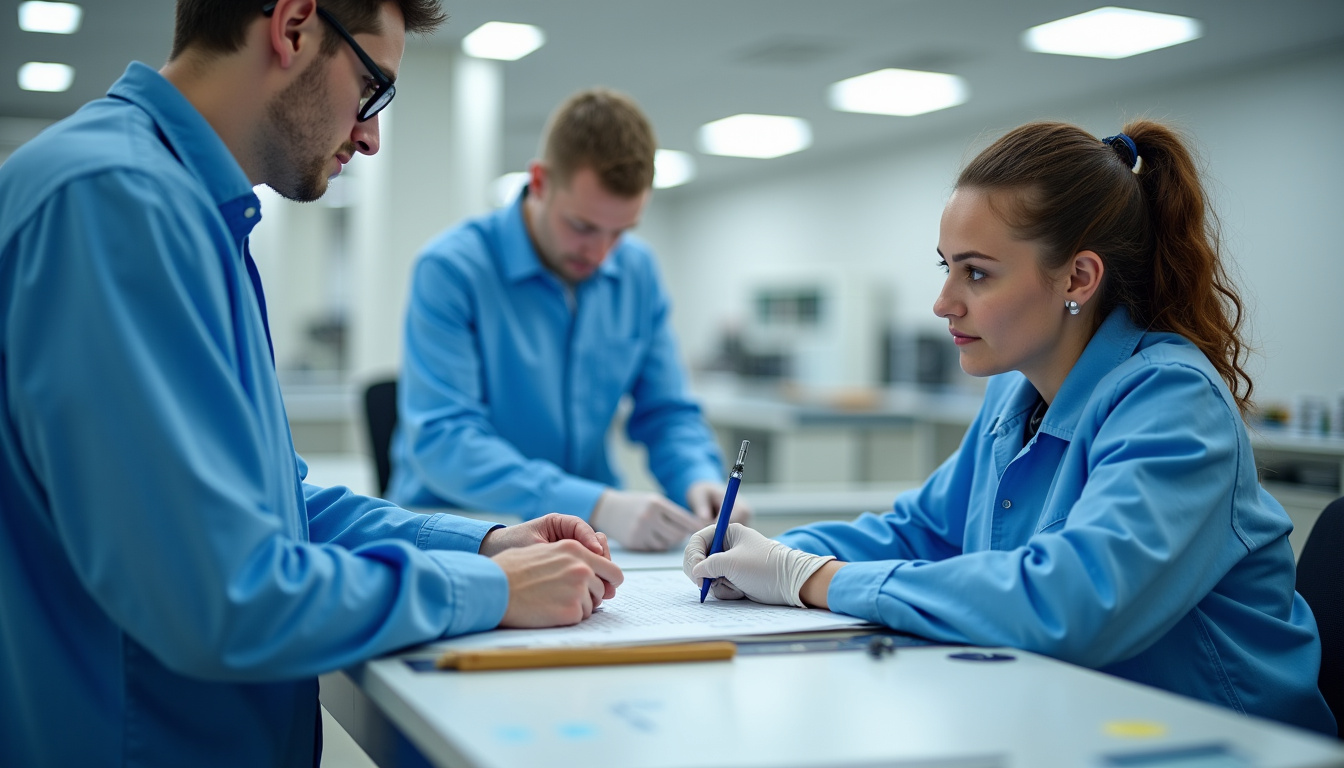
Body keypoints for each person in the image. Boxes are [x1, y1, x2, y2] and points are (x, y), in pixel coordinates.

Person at [0, 1, 623, 766]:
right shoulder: (114, 204)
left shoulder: (190, 213)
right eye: (372, 87)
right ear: (293, 26)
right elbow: (222, 595)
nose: (371, 134)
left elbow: (279, 510)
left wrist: (487, 544)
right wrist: (487, 589)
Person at [684, 120, 1336, 736]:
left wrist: (809, 577)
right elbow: (926, 532)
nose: (943, 303)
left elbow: (1071, 604)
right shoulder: (1015, 391)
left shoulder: (1174, 401)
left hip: (1221, 739)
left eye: (977, 273)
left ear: (1078, 277)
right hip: (1074, 715)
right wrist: (763, 554)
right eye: (946, 267)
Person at [388, 88, 747, 551]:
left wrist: (698, 477)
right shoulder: (451, 269)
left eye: (620, 232)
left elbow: (666, 412)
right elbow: (444, 442)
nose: (600, 253)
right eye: (583, 226)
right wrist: (596, 504)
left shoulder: (637, 271)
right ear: (539, 182)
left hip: (588, 537)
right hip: (466, 531)